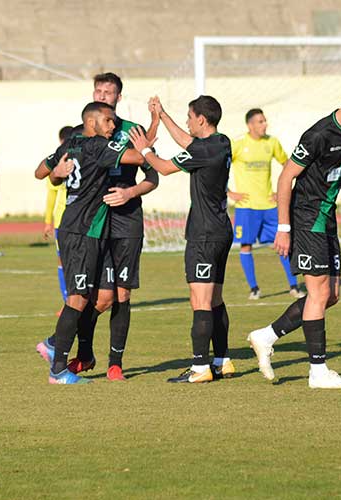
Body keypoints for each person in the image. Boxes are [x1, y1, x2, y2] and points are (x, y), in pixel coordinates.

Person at [246, 85, 341, 389]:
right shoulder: (318, 134)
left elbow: (337, 171)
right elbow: (286, 177)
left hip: (326, 218)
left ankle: (266, 336)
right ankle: (317, 372)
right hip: (307, 218)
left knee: (331, 295)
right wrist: (284, 228)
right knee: (319, 294)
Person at [34, 101, 145, 384]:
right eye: (108, 121)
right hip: (80, 231)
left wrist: (56, 172)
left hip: (88, 230)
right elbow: (137, 157)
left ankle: (55, 347)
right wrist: (145, 144)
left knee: (95, 296)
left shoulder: (69, 144)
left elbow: (39, 171)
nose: (113, 126)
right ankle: (58, 368)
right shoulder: (98, 146)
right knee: (78, 298)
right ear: (92, 122)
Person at [129, 95, 233, 384]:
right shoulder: (222, 142)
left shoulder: (203, 151)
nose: (187, 122)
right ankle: (222, 361)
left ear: (201, 119)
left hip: (204, 235)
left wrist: (144, 149)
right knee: (215, 299)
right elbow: (188, 142)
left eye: (189, 117)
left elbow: (163, 167)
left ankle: (199, 368)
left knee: (200, 300)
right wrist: (162, 115)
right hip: (222, 230)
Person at [229, 108, 305, 300]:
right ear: (250, 125)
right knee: (245, 246)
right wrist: (229, 192)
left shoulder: (272, 143)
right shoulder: (238, 144)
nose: (265, 124)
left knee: (283, 243)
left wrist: (282, 192)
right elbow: (218, 167)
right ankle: (254, 288)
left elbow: (289, 165)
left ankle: (294, 286)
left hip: (270, 206)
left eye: (265, 121)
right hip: (246, 206)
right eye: (260, 121)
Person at [43, 125, 74, 315]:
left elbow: (51, 196)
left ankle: (74, 301)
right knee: (64, 261)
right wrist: (48, 221)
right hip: (62, 221)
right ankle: (68, 301)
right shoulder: (58, 164)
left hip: (73, 220)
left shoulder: (82, 160)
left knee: (70, 261)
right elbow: (52, 193)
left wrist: (48, 221)